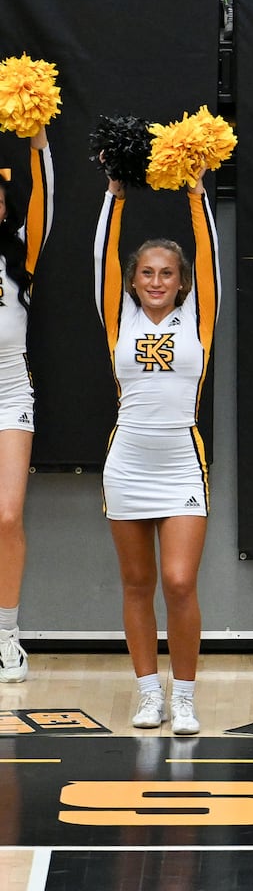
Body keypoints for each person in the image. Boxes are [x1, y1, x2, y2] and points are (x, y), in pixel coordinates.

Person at [95, 167, 220, 735]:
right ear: (132, 279)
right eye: (146, 272)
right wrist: (113, 198)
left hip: (180, 463)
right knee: (138, 584)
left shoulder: (199, 318)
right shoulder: (117, 316)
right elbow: (102, 256)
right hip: (127, 464)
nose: (155, 281)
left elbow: (211, 256)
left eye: (166, 273)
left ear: (181, 282)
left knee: (178, 582)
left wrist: (197, 195)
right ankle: (149, 693)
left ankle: (186, 696)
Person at [0, 126, 53, 683]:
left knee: (8, 515)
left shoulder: (20, 256)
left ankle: (7, 635)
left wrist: (39, 145)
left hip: (11, 392)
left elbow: (46, 203)